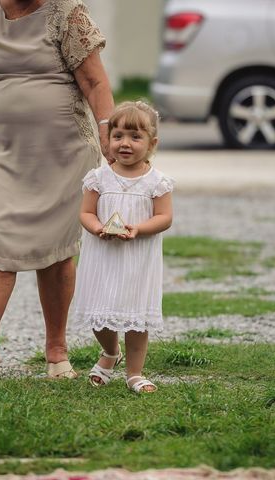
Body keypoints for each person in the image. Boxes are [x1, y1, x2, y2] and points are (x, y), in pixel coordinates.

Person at [0, 0, 114, 379]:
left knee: (55, 249)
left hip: (63, 152)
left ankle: (56, 352)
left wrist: (107, 128)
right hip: (0, 149)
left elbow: (95, 81)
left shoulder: (66, 12)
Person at [73, 101, 174, 394]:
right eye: (118, 136)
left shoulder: (157, 182)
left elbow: (165, 217)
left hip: (138, 258)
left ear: (152, 143)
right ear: (108, 139)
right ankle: (109, 352)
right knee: (99, 312)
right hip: (103, 256)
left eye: (135, 137)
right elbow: (86, 213)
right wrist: (97, 228)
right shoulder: (98, 178)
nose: (125, 144)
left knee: (135, 316)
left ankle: (134, 372)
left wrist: (138, 229)